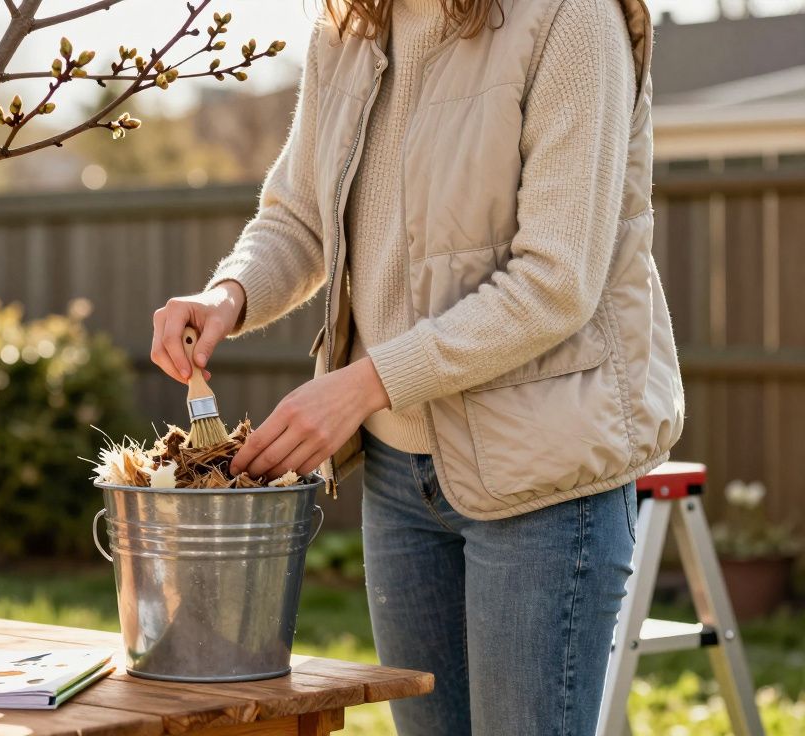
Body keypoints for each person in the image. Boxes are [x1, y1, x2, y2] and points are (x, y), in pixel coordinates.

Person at [148, 0, 684, 733]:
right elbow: (301, 214)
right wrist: (228, 294)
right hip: (402, 481)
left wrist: (361, 386)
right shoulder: (352, 26)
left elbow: (555, 282)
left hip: (544, 481)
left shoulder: (572, 17)